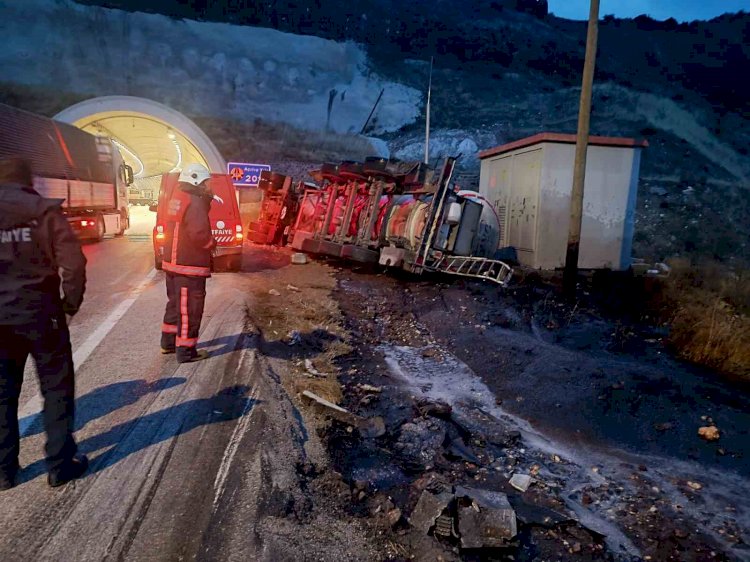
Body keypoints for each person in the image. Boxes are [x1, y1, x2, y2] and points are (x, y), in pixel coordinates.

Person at [0, 157, 88, 491]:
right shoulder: (44, 211)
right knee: (55, 388)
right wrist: (70, 303)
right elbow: (74, 263)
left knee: (2, 393)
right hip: (42, 315)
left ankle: (4, 471)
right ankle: (60, 464)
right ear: (28, 180)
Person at [160, 163, 216, 363]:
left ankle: (168, 343)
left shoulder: (178, 197)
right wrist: (211, 244)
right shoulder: (194, 202)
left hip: (173, 263)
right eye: (206, 182)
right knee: (190, 309)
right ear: (196, 181)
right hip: (189, 265)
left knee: (175, 304)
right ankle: (186, 351)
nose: (209, 186)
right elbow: (199, 232)